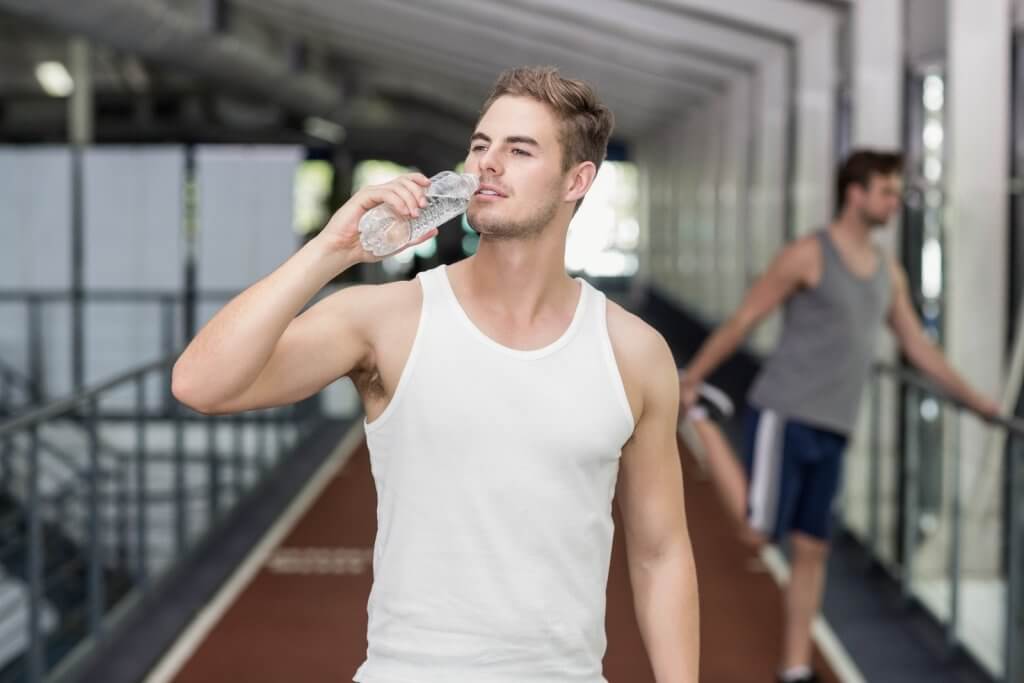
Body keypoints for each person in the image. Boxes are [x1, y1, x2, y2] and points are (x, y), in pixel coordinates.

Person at [172, 66, 699, 683]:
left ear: (576, 180)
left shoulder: (633, 352)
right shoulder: (385, 320)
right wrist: (332, 250)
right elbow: (199, 385)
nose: (487, 164)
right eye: (481, 146)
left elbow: (661, 554)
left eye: (519, 149)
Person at [678, 149, 1000, 683]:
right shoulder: (809, 254)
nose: (895, 202)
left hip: (835, 425)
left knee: (811, 549)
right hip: (786, 410)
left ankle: (796, 667)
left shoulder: (887, 274)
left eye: (897, 192)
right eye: (887, 191)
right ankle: (704, 420)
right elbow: (746, 317)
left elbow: (918, 347)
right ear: (855, 193)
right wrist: (693, 378)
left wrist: (977, 401)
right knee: (759, 536)